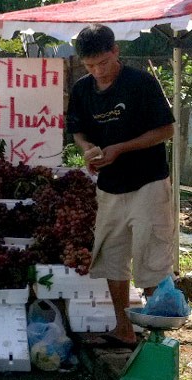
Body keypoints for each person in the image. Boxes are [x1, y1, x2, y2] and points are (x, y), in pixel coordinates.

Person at [66, 24, 175, 348]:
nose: (97, 71)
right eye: (89, 66)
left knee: (151, 260)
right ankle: (123, 328)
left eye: (102, 62)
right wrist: (88, 149)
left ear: (116, 51)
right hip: (109, 187)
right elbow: (79, 132)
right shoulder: (83, 89)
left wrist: (121, 148)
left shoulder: (141, 83)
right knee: (112, 258)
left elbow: (166, 130)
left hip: (149, 184)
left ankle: (158, 338)